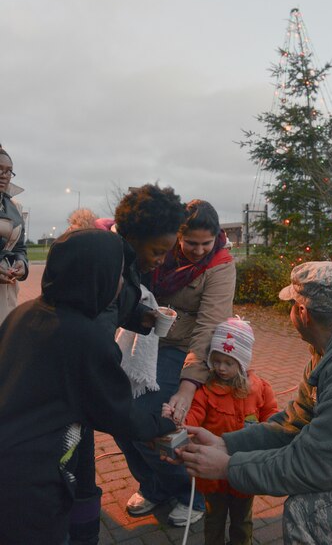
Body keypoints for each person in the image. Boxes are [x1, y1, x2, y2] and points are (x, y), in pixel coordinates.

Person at [176, 261, 332, 544]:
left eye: (291, 304)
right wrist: (227, 444)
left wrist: (228, 467)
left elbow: (306, 465)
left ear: (302, 312)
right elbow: (293, 423)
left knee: (310, 511)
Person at [0, 229, 177, 545]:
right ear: (99, 277)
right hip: (31, 488)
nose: (122, 283)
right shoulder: (87, 338)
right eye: (119, 275)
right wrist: (162, 424)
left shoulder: (24, 314)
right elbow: (117, 413)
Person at [69, 184, 186, 544]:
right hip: (64, 412)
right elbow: (108, 397)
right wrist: (157, 425)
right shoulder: (109, 275)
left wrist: (143, 319)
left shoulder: (122, 263)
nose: (161, 260)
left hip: (76, 400)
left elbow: (119, 305)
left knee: (83, 480)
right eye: (157, 250)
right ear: (132, 238)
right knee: (74, 478)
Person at [121, 199, 237, 527]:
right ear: (177, 237)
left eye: (207, 243)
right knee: (115, 411)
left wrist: (187, 388)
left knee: (152, 418)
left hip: (185, 349)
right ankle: (153, 486)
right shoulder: (161, 251)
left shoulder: (221, 264)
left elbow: (209, 327)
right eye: (191, 243)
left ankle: (189, 493)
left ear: (217, 237)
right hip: (145, 339)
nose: (199, 251)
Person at [163, 317, 278, 545]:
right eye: (216, 361)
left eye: (229, 362)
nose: (221, 368)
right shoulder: (205, 391)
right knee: (214, 518)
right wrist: (177, 418)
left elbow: (271, 415)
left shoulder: (259, 388)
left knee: (242, 519)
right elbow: (194, 415)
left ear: (242, 362)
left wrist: (272, 432)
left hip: (244, 469)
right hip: (212, 474)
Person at [0, 143, 28, 324]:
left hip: (6, 294)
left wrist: (21, 263)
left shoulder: (15, 207)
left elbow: (20, 247)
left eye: (9, 171)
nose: (4, 175)